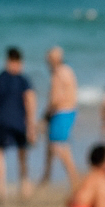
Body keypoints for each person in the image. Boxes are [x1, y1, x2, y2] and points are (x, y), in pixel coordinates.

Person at [0, 46, 37, 205]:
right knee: (22, 153)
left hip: (1, 120)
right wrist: (31, 125)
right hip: (19, 121)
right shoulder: (23, 80)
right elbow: (30, 101)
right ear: (19, 62)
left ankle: (1, 189)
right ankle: (24, 186)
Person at [40, 47, 81, 189]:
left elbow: (55, 97)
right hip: (70, 110)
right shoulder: (68, 70)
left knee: (59, 146)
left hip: (61, 111)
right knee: (53, 145)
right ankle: (46, 176)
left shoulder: (58, 72)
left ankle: (74, 179)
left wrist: (45, 115)